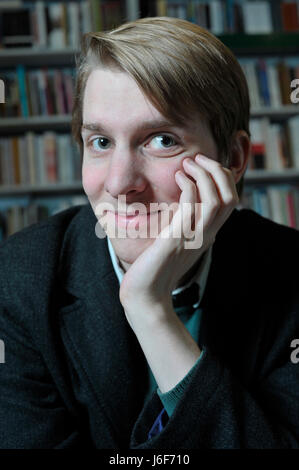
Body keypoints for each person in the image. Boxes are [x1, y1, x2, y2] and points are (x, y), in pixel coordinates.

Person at [0, 16, 299, 449]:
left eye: (161, 140)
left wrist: (150, 310)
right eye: (100, 142)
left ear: (233, 159)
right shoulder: (16, 282)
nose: (120, 183)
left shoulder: (291, 272)